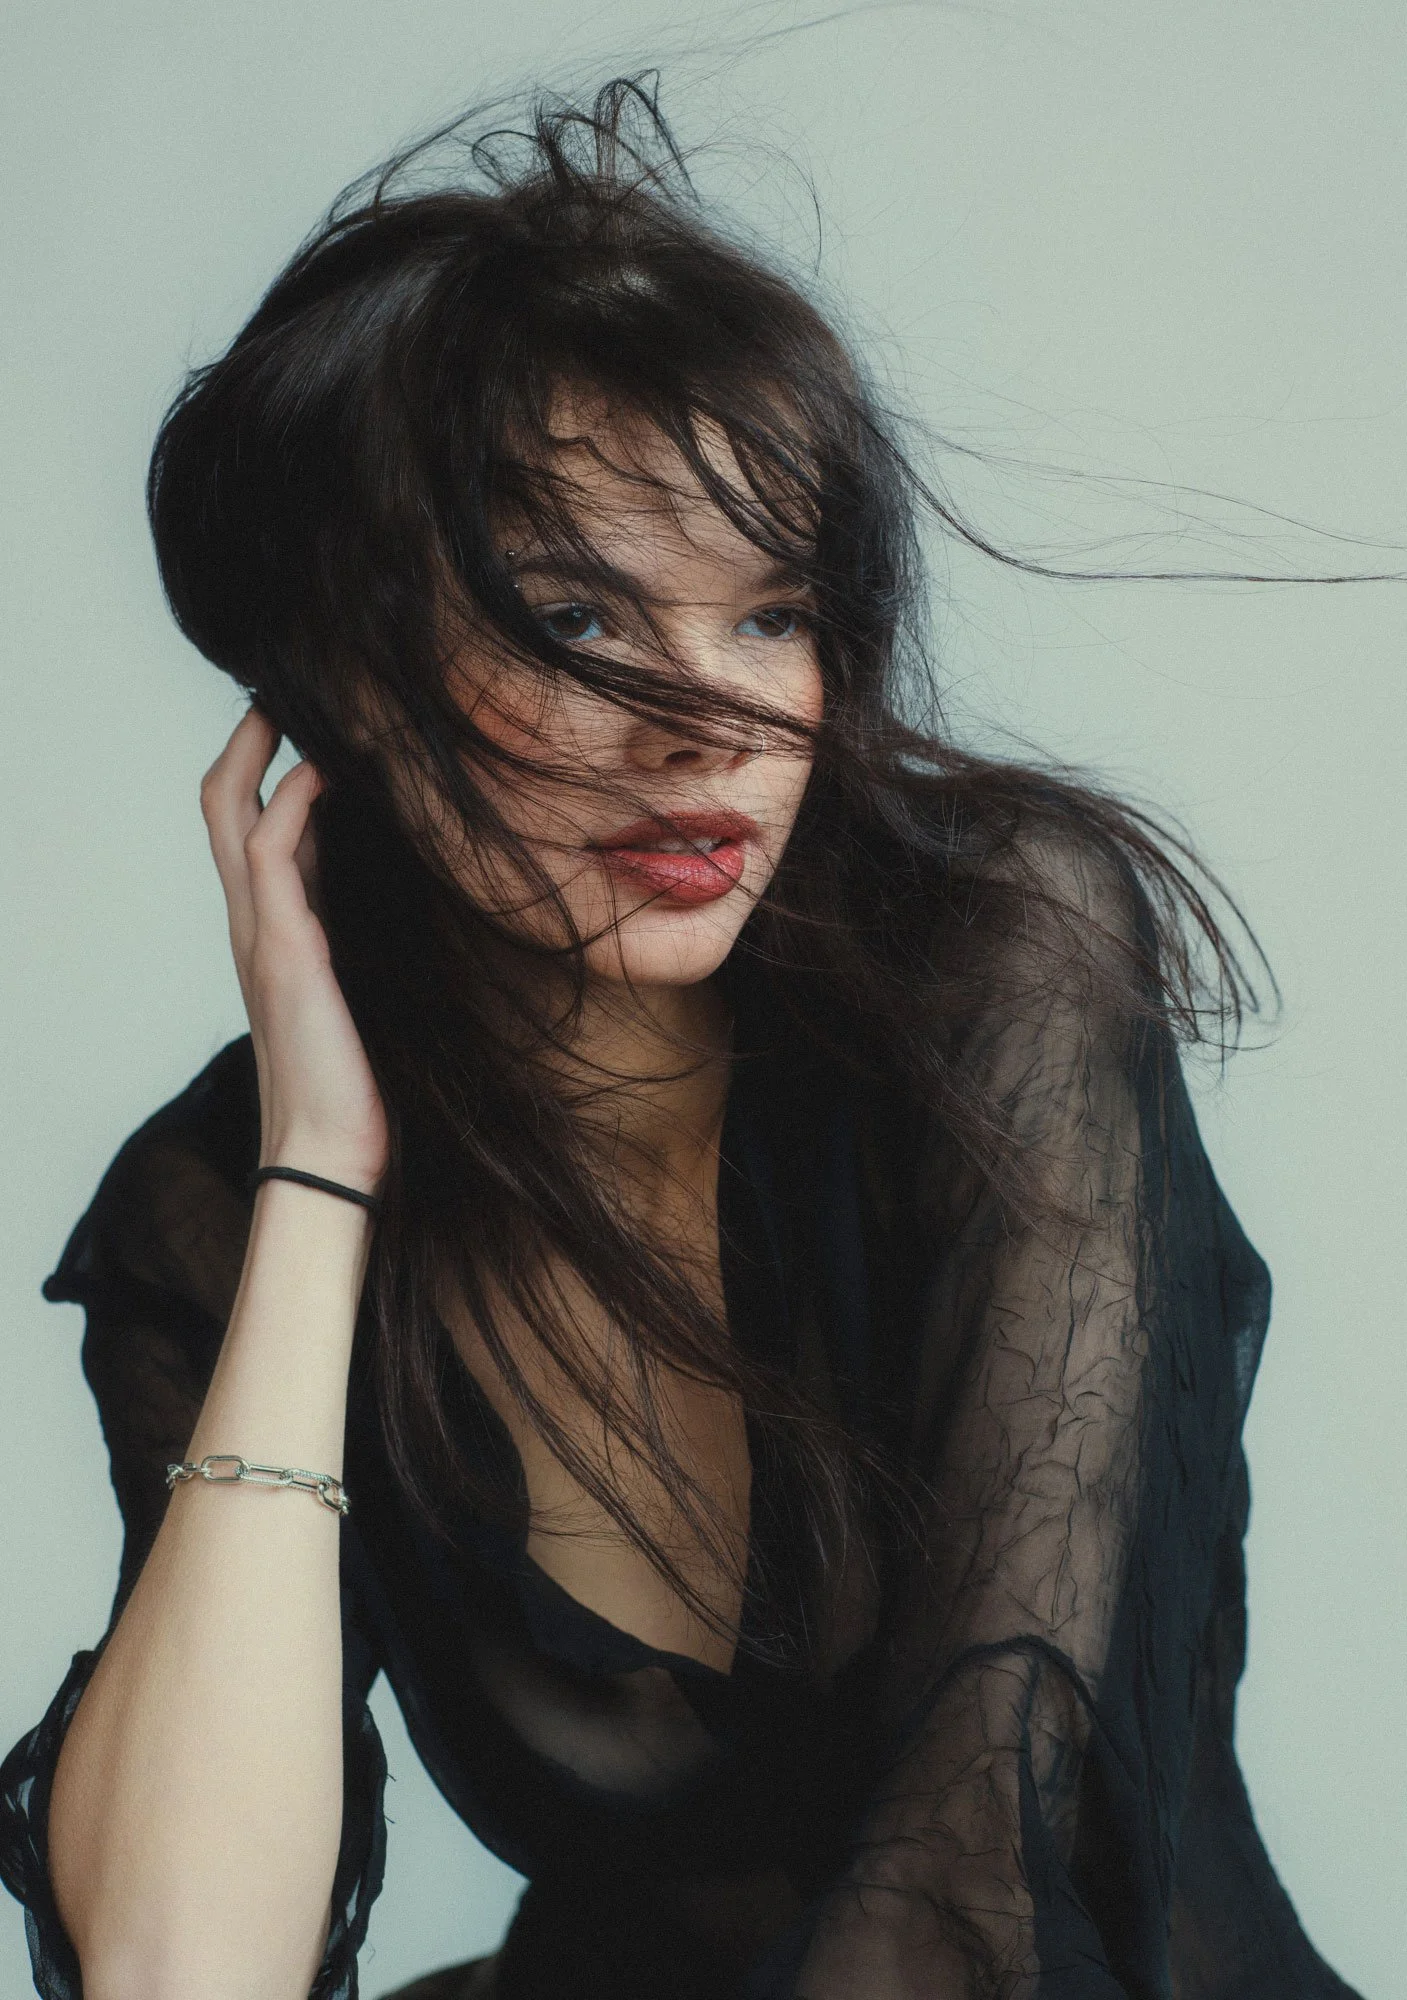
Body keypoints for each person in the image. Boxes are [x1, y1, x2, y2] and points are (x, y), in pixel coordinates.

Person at [0, 77, 1365, 2000]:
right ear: (345, 673)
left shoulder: (995, 966)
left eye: (773, 615)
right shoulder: (209, 1209)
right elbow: (178, 1967)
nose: (709, 727)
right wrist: (317, 1174)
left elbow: (977, 1864)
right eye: (578, 619)